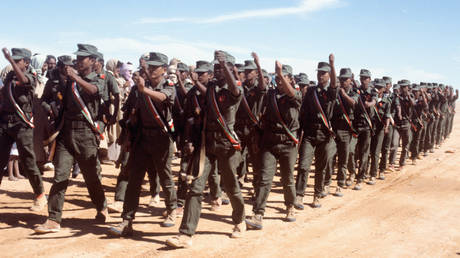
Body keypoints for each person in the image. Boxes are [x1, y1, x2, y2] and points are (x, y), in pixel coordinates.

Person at [166, 51, 246, 248]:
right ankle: (186, 234)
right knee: (196, 187)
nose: (217, 71)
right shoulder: (211, 87)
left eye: (221, 68)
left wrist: (225, 64)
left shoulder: (235, 89)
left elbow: (234, 92)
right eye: (216, 68)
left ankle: (239, 220)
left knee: (230, 186)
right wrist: (193, 82)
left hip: (227, 145)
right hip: (207, 144)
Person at [34, 44, 108, 233]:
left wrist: (74, 77)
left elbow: (94, 91)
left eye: (82, 58)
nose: (77, 61)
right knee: (60, 176)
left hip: (85, 134)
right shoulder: (69, 80)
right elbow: (63, 103)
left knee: (91, 177)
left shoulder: (98, 77)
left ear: (92, 60)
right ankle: (53, 219)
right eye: (77, 58)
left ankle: (102, 206)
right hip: (67, 132)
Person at [108, 52, 178, 237]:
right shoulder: (138, 88)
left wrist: (143, 89)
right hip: (141, 138)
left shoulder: (168, 85)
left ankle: (172, 210)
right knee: (134, 180)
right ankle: (127, 220)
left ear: (164, 69)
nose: (152, 70)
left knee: (165, 176)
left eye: (156, 67)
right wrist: (126, 137)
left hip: (161, 138)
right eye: (150, 67)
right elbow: (130, 113)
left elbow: (164, 98)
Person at [245, 59, 300, 229]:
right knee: (264, 179)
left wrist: (279, 73)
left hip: (288, 143)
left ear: (290, 79)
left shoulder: (295, 96)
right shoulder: (270, 95)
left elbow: (291, 94)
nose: (279, 80)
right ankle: (258, 214)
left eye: (284, 77)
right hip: (269, 142)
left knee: (287, 179)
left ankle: (290, 207)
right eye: (278, 77)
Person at [0, 47, 47, 211]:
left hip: (22, 124)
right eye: (14, 59)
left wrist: (9, 60)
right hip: (5, 123)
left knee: (28, 161)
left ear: (26, 62)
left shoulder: (30, 76)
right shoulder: (9, 76)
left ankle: (40, 195)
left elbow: (25, 82)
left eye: (17, 60)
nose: (13, 62)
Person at [294, 55, 337, 209]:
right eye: (319, 73)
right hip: (310, 134)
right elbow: (303, 113)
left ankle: (316, 195)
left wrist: (332, 64)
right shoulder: (311, 91)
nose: (320, 76)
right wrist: (300, 133)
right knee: (304, 166)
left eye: (324, 73)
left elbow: (334, 86)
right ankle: (299, 195)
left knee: (320, 167)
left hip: (325, 135)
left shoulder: (332, 92)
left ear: (329, 75)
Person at [330, 68, 358, 197]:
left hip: (347, 130)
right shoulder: (334, 92)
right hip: (334, 129)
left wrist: (343, 94)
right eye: (340, 79)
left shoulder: (354, 92)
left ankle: (340, 184)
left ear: (350, 80)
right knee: (330, 157)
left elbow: (353, 103)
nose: (342, 82)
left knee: (343, 158)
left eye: (345, 80)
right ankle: (326, 182)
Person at [351, 69, 377, 190]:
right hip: (355, 124)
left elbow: (374, 100)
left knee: (364, 153)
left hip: (367, 125)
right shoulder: (356, 90)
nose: (363, 80)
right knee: (351, 151)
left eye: (365, 78)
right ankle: (351, 173)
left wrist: (370, 103)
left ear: (369, 79)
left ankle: (360, 178)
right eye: (361, 78)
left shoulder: (372, 91)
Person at [368, 78, 391, 183]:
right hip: (369, 127)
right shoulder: (370, 99)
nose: (377, 89)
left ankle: (373, 174)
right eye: (375, 87)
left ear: (383, 89)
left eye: (379, 88)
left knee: (376, 152)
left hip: (380, 129)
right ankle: (363, 172)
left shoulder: (386, 102)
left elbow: (387, 116)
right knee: (367, 151)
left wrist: (386, 127)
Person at [394, 79, 415, 171]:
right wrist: (399, 113)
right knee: (394, 144)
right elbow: (398, 106)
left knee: (405, 145)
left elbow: (413, 104)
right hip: (398, 124)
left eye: (404, 87)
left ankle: (401, 163)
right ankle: (391, 163)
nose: (402, 89)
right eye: (401, 87)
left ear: (408, 87)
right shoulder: (398, 97)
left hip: (406, 124)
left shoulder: (411, 96)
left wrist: (408, 96)